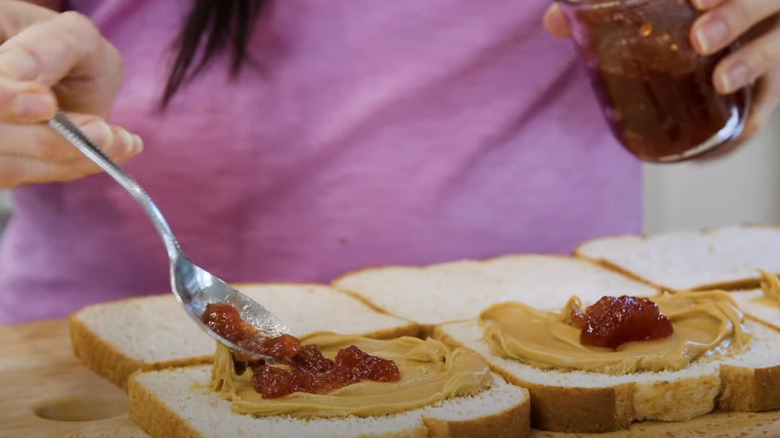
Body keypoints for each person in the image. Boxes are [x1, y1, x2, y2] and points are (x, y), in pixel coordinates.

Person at [0, 0, 777, 325]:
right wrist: (27, 67)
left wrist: (733, 53)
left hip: (551, 322)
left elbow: (697, 92)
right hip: (87, 344)